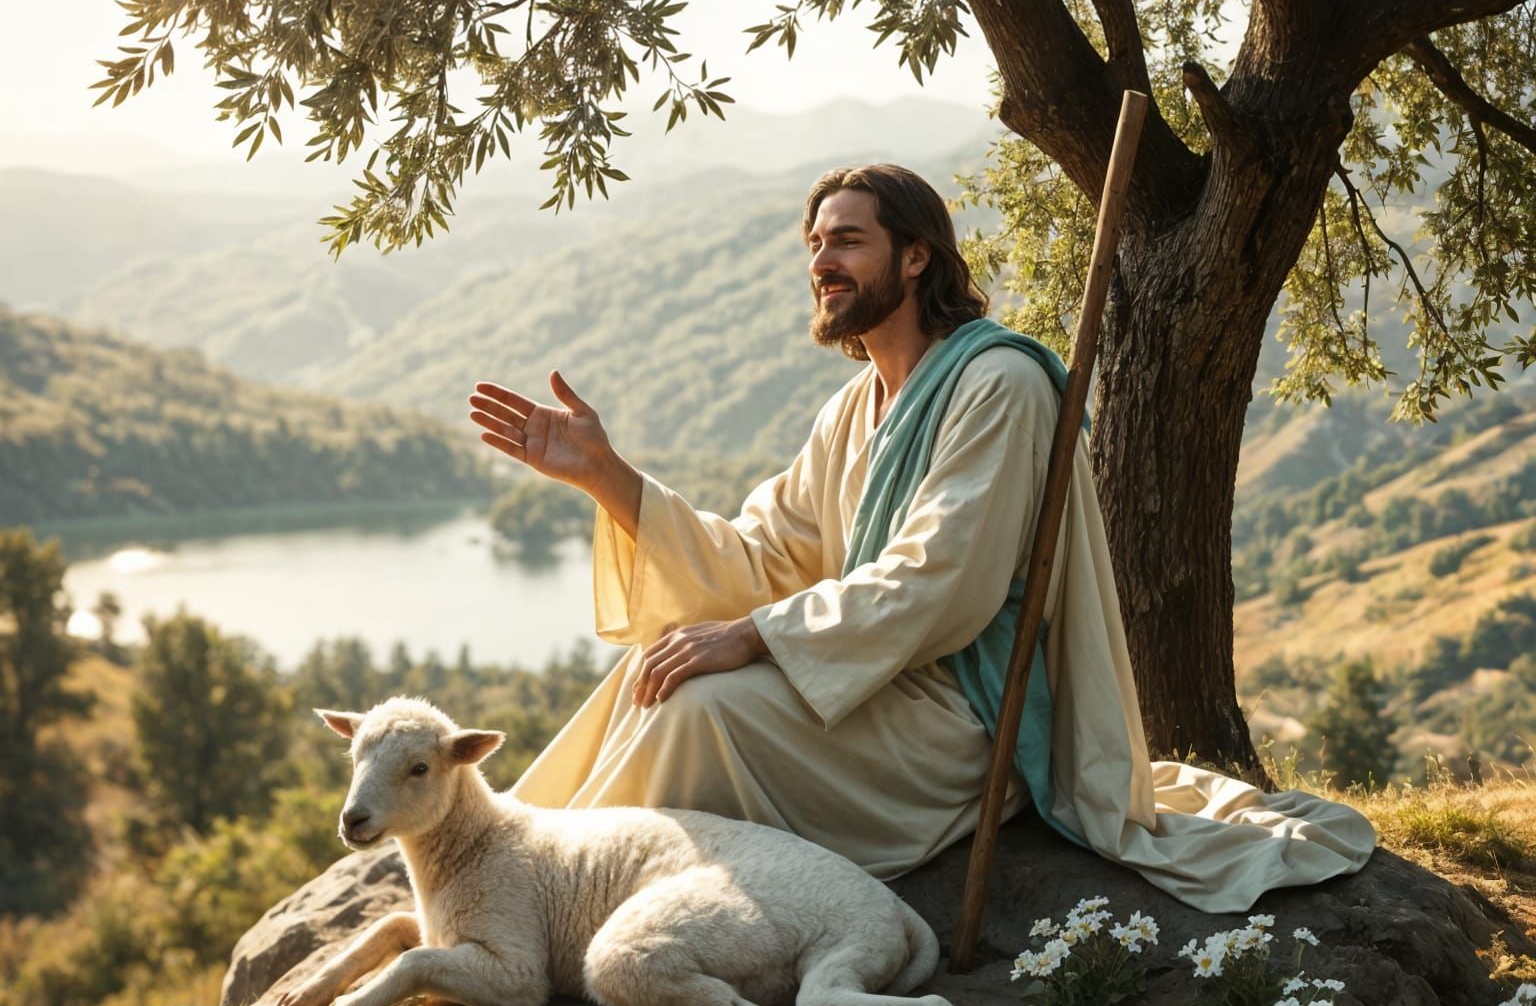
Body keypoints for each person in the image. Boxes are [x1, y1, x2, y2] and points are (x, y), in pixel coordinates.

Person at [467, 164, 1373, 913]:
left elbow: (943, 580)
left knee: (706, 708)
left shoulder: (1001, 385)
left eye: (847, 241)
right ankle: (511, 872)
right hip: (867, 698)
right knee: (655, 667)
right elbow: (765, 561)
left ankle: (559, 909)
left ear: (914, 258)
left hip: (960, 723)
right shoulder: (852, 409)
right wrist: (607, 476)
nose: (822, 260)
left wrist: (755, 637)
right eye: (815, 244)